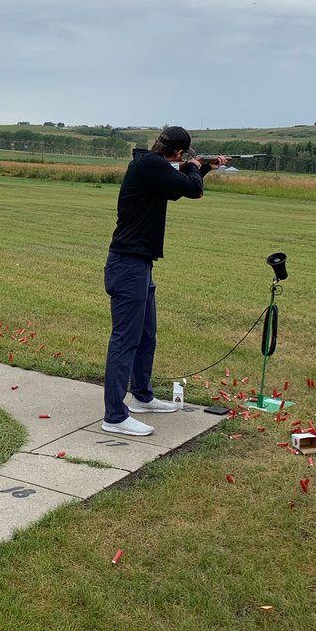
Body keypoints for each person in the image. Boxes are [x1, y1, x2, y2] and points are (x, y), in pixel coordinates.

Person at [102, 125, 227, 436]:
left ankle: (142, 396)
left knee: (146, 335)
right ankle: (115, 416)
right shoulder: (151, 165)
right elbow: (193, 190)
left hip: (139, 264)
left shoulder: (151, 165)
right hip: (127, 264)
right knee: (124, 341)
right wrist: (199, 169)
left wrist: (204, 168)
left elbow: (176, 188)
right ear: (180, 153)